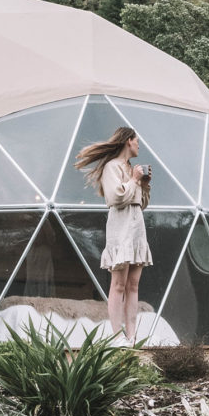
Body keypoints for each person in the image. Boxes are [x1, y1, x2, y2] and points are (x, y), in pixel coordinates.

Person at [73, 126, 152, 341]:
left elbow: (141, 203)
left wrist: (143, 185)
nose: (138, 145)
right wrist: (134, 180)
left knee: (133, 284)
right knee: (118, 284)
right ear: (128, 141)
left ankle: (132, 336)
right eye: (137, 140)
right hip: (121, 227)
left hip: (137, 226)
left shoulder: (130, 168)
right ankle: (117, 335)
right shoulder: (112, 167)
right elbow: (116, 198)